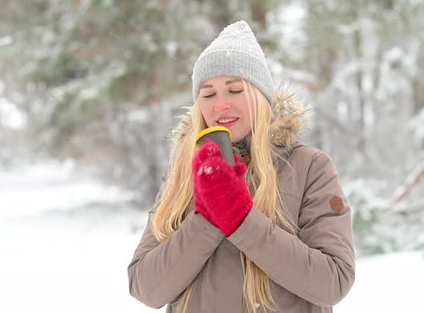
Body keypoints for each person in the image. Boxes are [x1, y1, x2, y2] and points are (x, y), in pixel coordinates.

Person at [127, 20, 355, 313]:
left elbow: (333, 282)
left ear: (260, 97)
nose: (220, 105)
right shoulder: (184, 174)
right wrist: (207, 219)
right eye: (208, 94)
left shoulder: (309, 167)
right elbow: (146, 288)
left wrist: (240, 219)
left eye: (235, 90)